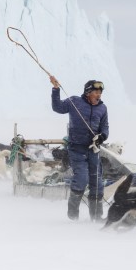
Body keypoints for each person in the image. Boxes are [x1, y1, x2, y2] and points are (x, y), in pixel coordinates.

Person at [50, 76, 109, 221]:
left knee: (97, 182)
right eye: (96, 92)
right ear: (88, 92)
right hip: (77, 149)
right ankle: (73, 216)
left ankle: (96, 217)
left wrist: (102, 137)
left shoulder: (102, 108)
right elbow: (57, 107)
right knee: (81, 179)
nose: (99, 95)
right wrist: (56, 89)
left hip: (93, 150)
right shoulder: (74, 102)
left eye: (100, 92)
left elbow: (105, 128)